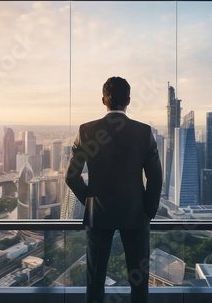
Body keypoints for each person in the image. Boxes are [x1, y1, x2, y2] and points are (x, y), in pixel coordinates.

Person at [65, 76, 163, 303]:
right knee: (139, 283)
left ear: (103, 100)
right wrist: (147, 212)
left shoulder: (86, 131)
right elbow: (156, 177)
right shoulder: (144, 132)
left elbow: (72, 176)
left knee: (95, 280)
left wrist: (91, 200)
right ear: (128, 100)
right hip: (136, 215)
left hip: (98, 216)